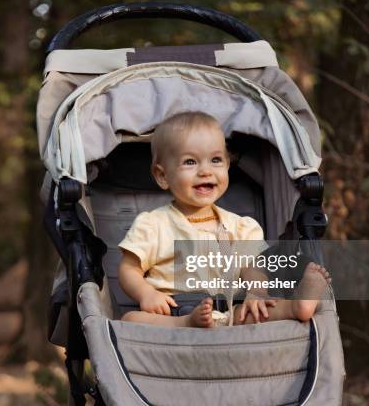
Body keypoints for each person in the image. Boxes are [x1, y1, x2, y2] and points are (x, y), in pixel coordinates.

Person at [118, 111, 331, 328]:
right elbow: (129, 269)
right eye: (190, 162)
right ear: (163, 176)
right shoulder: (153, 224)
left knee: (260, 310)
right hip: (172, 313)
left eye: (216, 160)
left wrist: (256, 293)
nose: (205, 171)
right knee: (130, 320)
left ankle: (297, 307)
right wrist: (146, 294)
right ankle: (187, 322)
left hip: (229, 311)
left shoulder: (240, 227)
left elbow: (253, 268)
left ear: (227, 165)